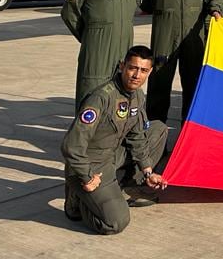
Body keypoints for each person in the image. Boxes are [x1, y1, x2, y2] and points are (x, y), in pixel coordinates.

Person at [61, 45, 169, 235]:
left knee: (158, 129)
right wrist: (86, 176)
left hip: (113, 153)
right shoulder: (101, 98)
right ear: (122, 66)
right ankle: (78, 200)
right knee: (116, 222)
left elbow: (137, 136)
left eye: (143, 70)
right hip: (92, 163)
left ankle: (124, 185)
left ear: (149, 72)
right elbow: (71, 145)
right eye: (132, 68)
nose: (137, 75)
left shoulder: (137, 95)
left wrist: (148, 171)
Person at [139, 0, 220, 123]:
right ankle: (155, 135)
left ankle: (188, 132)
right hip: (165, 34)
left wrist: (216, 9)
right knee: (159, 82)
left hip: (193, 36)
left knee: (192, 84)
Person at [61, 0, 140, 108]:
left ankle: (114, 133)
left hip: (124, 48)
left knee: (120, 93)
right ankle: (85, 134)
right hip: (97, 49)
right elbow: (69, 13)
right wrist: (90, 36)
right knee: (91, 92)